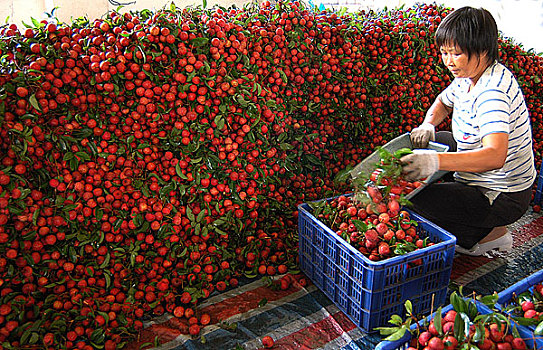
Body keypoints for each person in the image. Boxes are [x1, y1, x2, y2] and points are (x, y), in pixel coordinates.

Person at [400, 6, 537, 256]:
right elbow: (443, 102)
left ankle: (488, 235)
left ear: (483, 50)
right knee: (430, 142)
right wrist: (428, 124)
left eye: (457, 54)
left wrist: (436, 161)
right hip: (478, 171)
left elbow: (495, 156)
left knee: (415, 199)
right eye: (444, 52)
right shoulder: (468, 76)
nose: (449, 61)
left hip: (501, 192)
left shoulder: (492, 93)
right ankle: (469, 211)